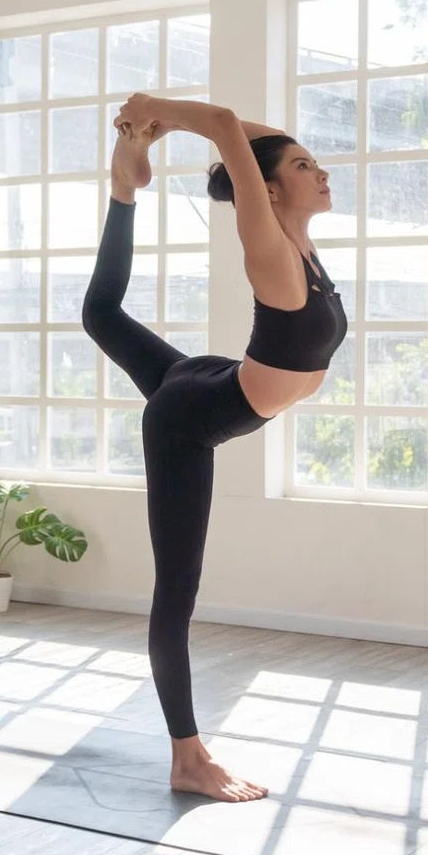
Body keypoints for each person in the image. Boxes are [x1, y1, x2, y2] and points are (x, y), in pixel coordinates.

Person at [81, 93, 345, 802]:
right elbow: (229, 128)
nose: (322, 172)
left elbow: (257, 140)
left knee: (101, 314)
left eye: (315, 162)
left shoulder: (301, 245)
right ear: (268, 190)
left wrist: (158, 135)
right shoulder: (272, 251)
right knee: (177, 591)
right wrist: (154, 111)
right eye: (303, 166)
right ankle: (187, 758)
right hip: (188, 419)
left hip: (209, 378)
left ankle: (123, 188)